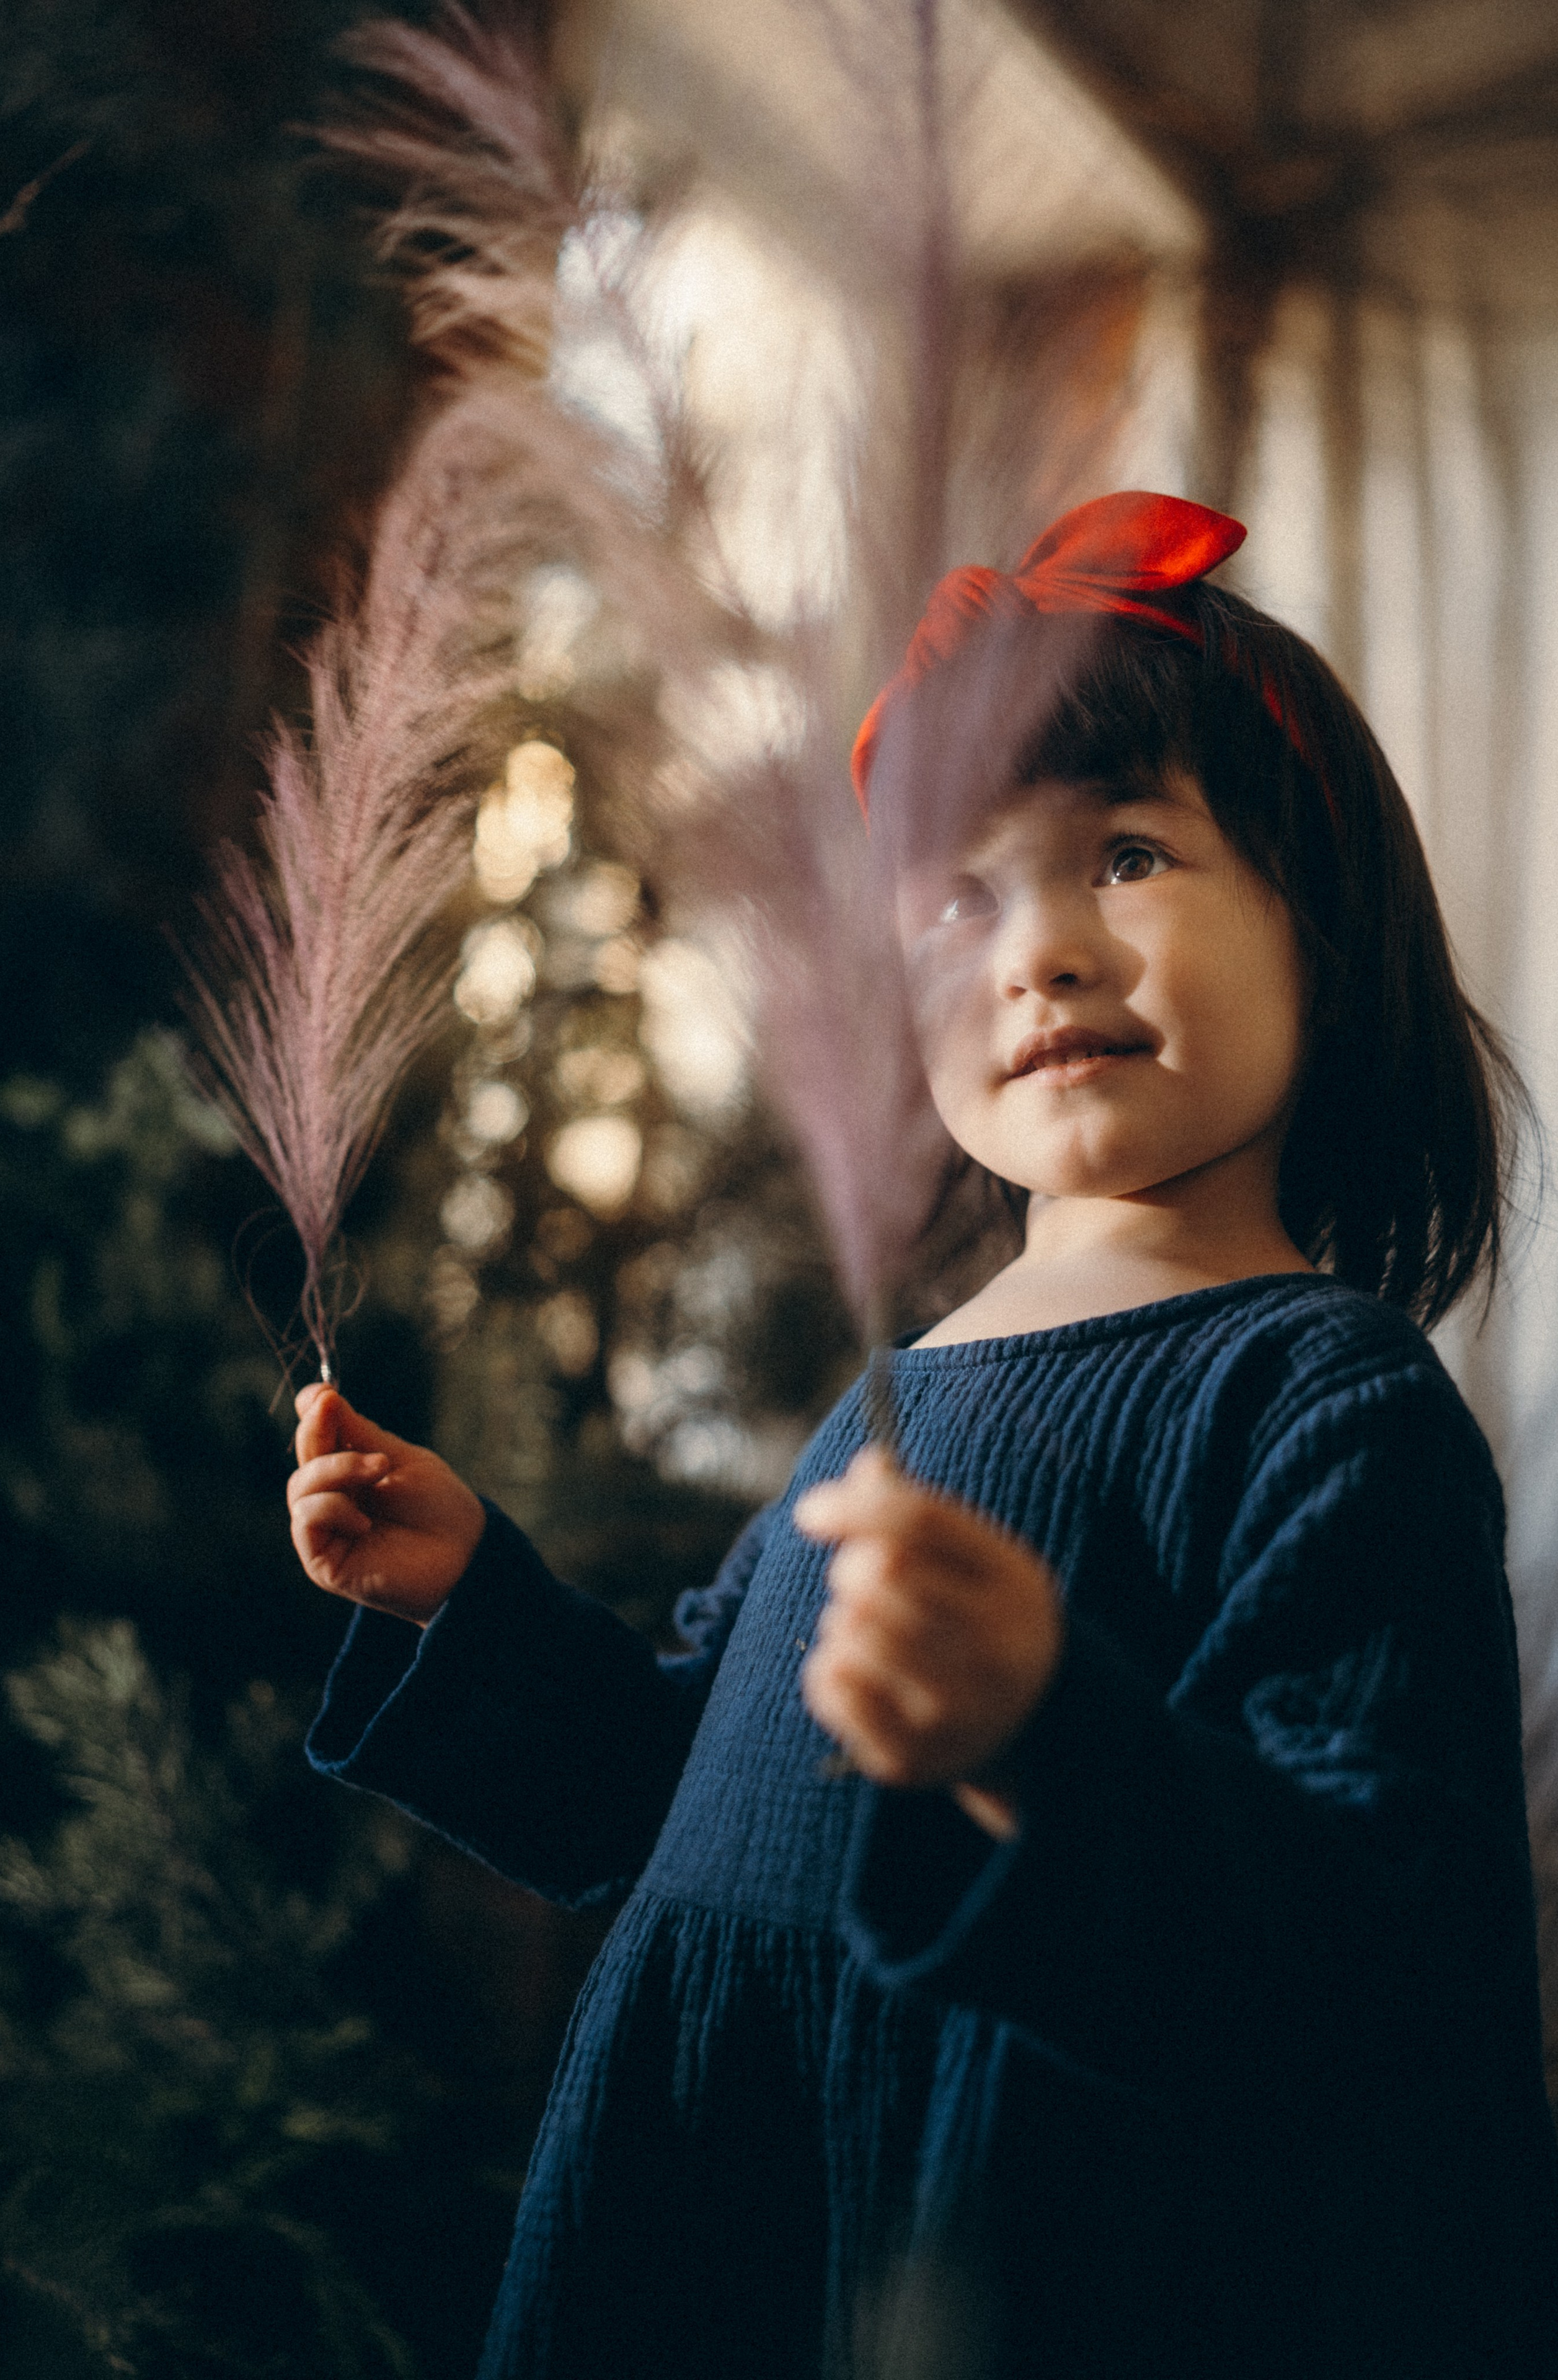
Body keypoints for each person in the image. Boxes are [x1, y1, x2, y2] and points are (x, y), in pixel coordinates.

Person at [291, 493, 1558, 2379]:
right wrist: (474, 1600)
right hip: (708, 2180)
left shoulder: (1318, 1398)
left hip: (984, 2234)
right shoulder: (907, 1382)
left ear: (1326, 919)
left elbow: (1377, 1948)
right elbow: (671, 1796)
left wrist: (1048, 1737)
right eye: (957, 901)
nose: (1035, 953)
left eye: (1128, 854)